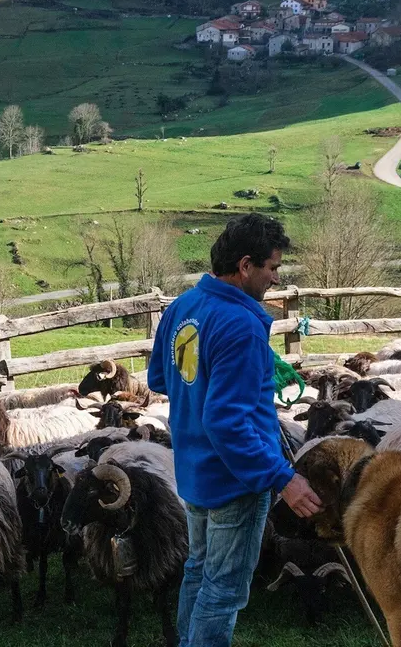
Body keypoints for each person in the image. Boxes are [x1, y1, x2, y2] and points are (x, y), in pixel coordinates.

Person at [147, 213, 321, 647]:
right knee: (223, 589)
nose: (276, 279)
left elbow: (158, 379)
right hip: (234, 480)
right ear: (246, 265)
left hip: (192, 470)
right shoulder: (240, 325)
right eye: (273, 268)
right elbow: (226, 422)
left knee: (198, 571)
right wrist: (284, 478)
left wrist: (208, 385)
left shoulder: (183, 306)